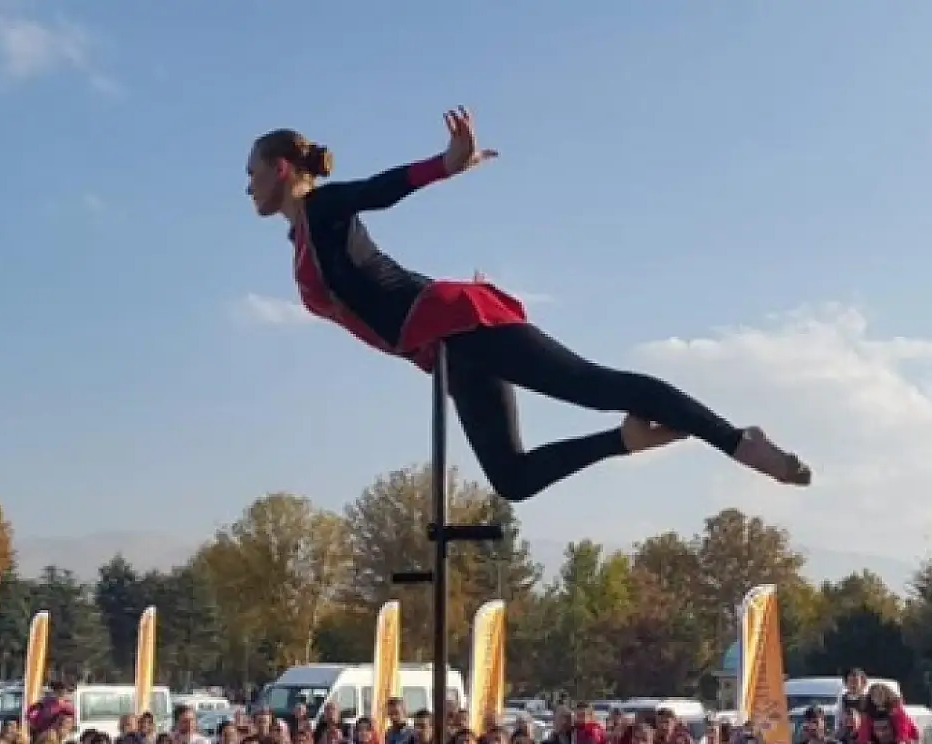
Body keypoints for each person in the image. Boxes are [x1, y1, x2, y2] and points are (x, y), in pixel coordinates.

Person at [244, 111, 812, 502]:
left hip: (457, 322)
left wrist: (446, 163)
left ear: (282, 169)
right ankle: (624, 440)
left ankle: (740, 442)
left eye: (252, 173)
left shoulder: (323, 208)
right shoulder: (300, 240)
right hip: (443, 352)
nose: (247, 187)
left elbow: (379, 188)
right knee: (511, 480)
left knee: (595, 385)